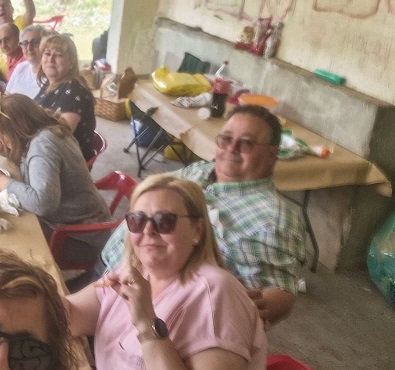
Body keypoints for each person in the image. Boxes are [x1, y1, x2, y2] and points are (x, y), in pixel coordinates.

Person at [64, 174, 267, 370]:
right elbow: (69, 317)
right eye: (137, 221)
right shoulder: (136, 272)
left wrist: (147, 324)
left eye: (164, 221)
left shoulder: (217, 295)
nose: (148, 230)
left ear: (197, 230)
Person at [100, 105, 307, 327]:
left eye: (246, 143)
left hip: (145, 316)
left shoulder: (274, 218)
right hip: (109, 274)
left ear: (271, 155)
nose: (231, 148)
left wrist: (260, 307)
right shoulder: (199, 170)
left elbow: (282, 290)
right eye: (226, 139)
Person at [0, 94, 110, 266]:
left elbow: (42, 204)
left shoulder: (43, 145)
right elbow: (36, 168)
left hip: (79, 238)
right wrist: (5, 151)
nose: (1, 137)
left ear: (15, 131)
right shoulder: (47, 130)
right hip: (75, 223)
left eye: (3, 133)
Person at [34, 34, 96, 161]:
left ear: (71, 62)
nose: (50, 59)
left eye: (58, 55)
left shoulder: (74, 91)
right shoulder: (51, 83)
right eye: (47, 53)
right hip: (45, 150)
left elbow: (59, 136)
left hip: (67, 161)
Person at [6, 25, 51, 99]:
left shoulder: (51, 76)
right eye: (25, 43)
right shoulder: (21, 67)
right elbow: (6, 95)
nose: (29, 48)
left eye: (35, 42)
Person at [0, 24, 25, 92]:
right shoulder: (10, 55)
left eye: (7, 40)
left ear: (18, 38)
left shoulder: (24, 62)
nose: (3, 45)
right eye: (0, 42)